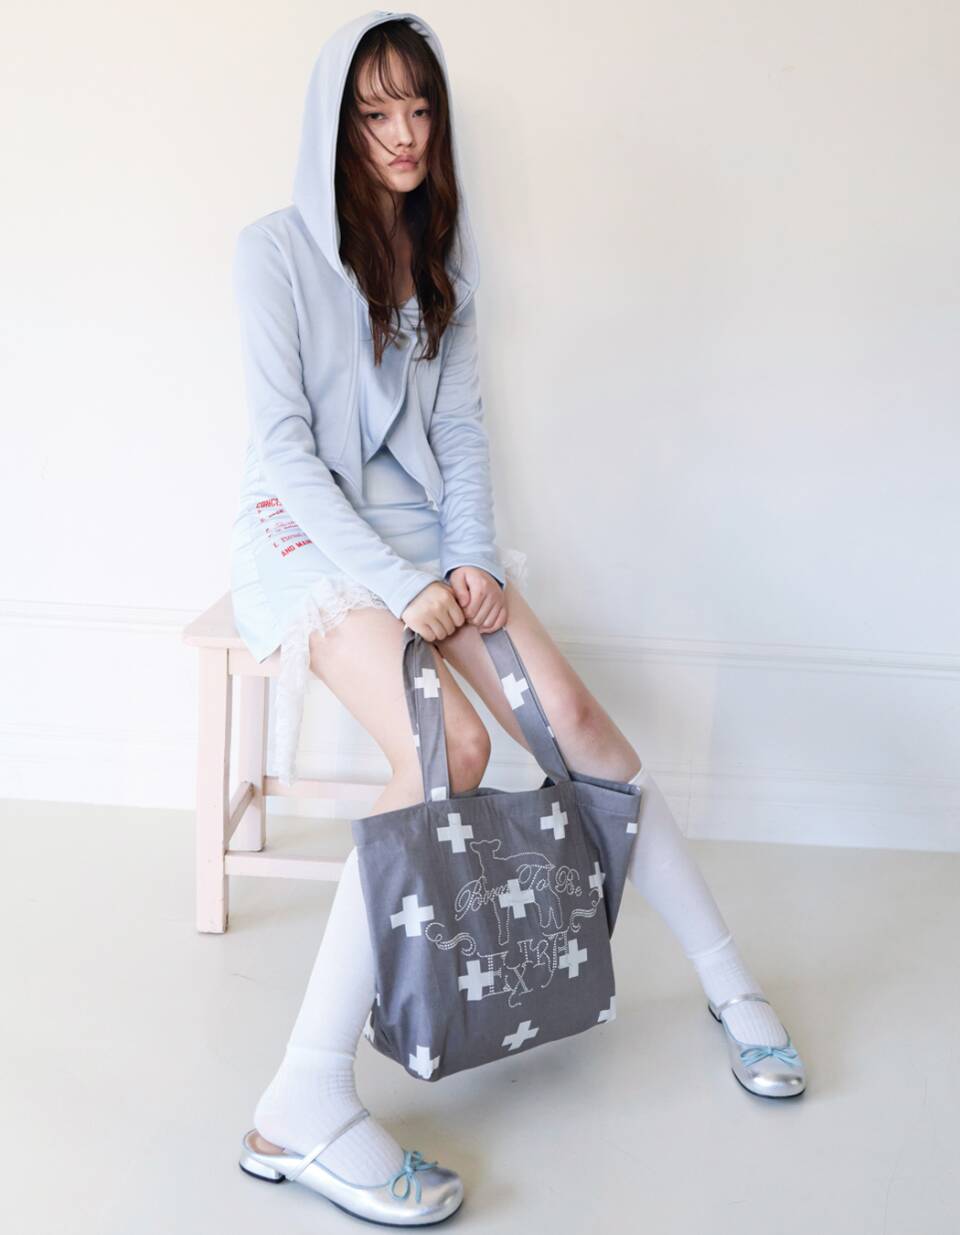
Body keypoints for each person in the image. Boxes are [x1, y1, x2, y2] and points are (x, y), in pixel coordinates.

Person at [231, 10, 807, 1226]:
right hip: (309, 540)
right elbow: (284, 453)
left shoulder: (443, 255)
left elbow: (457, 434)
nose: (402, 133)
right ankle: (300, 1096)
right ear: (336, 121)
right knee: (446, 744)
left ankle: (729, 983)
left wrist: (471, 560)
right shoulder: (271, 252)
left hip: (422, 539)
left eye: (419, 109)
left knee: (579, 722)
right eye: (375, 112)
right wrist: (401, 588)